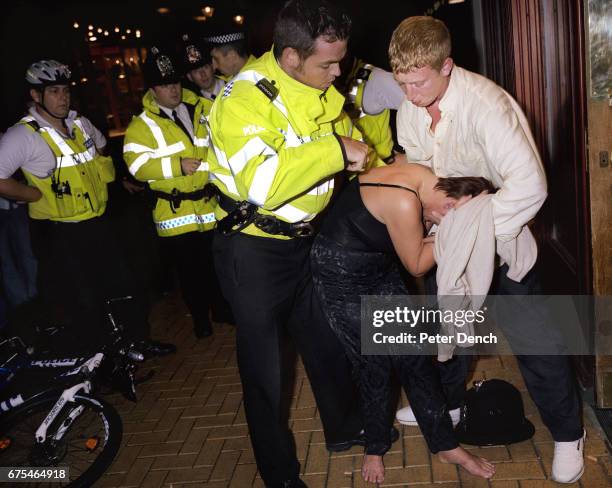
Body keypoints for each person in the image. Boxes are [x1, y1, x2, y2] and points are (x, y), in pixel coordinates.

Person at [389, 16, 584, 483]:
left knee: (536, 342)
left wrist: (473, 230)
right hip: (451, 236)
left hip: (504, 238)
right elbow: (419, 172)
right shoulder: (411, 104)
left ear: (448, 66)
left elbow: (531, 188)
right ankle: (449, 408)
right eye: (402, 84)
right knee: (450, 330)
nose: (410, 95)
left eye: (418, 83)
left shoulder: (487, 105)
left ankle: (567, 434)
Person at [206, 1, 380, 486]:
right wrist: (335, 151)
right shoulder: (244, 101)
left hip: (305, 243)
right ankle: (279, 474)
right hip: (253, 252)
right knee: (266, 374)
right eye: (327, 63)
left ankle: (344, 427)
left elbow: (352, 141)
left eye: (339, 60)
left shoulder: (316, 85)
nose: (338, 71)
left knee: (325, 342)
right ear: (289, 58)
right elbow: (264, 184)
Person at [311, 158, 497, 483]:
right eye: (450, 209)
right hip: (340, 275)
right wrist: (460, 236)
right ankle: (374, 446)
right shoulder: (404, 200)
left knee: (415, 358)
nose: (445, 217)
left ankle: (446, 444)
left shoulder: (422, 177)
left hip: (377, 266)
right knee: (375, 363)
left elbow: (414, 244)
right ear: (450, 190)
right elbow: (417, 266)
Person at [0, 60, 175, 357]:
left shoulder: (79, 123)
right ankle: (99, 362)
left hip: (98, 223)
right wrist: (29, 194)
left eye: (65, 90)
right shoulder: (24, 134)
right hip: (60, 234)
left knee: (125, 285)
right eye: (53, 91)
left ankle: (136, 343)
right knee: (83, 300)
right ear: (36, 96)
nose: (62, 97)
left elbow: (101, 150)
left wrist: (114, 179)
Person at [124, 46, 229, 338]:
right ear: (153, 89)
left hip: (208, 203)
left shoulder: (201, 108)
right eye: (165, 85)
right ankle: (200, 319)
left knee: (214, 263)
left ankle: (221, 309)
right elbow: (137, 166)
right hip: (176, 210)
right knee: (189, 271)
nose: (173, 89)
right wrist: (176, 165)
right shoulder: (141, 125)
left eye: (175, 82)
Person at [335, 54, 395, 161]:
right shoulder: (322, 86)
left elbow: (418, 101)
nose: (335, 70)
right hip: (347, 165)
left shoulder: (376, 80)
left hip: (379, 161)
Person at [181, 34, 225, 101]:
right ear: (190, 77)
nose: (202, 74)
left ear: (213, 66)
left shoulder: (234, 84)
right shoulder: (195, 106)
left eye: (205, 67)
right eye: (196, 71)